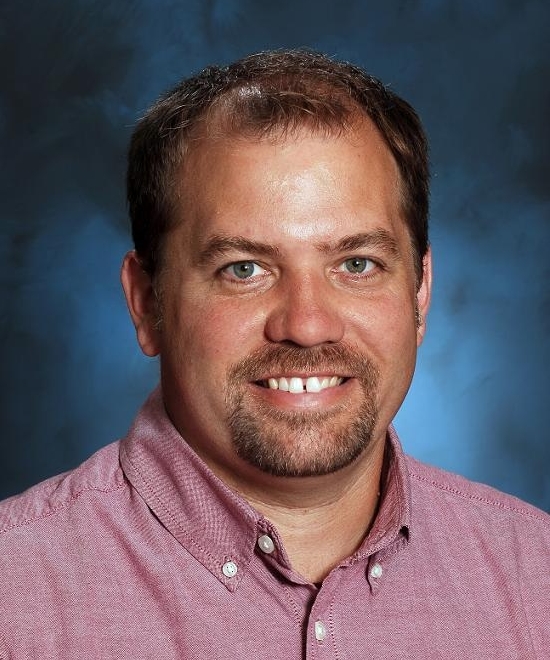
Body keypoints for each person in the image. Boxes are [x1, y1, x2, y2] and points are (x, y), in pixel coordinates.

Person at [1, 49, 548, 659]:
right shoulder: (15, 594)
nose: (307, 325)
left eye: (356, 264)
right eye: (245, 268)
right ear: (146, 302)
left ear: (419, 292)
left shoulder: (534, 577)